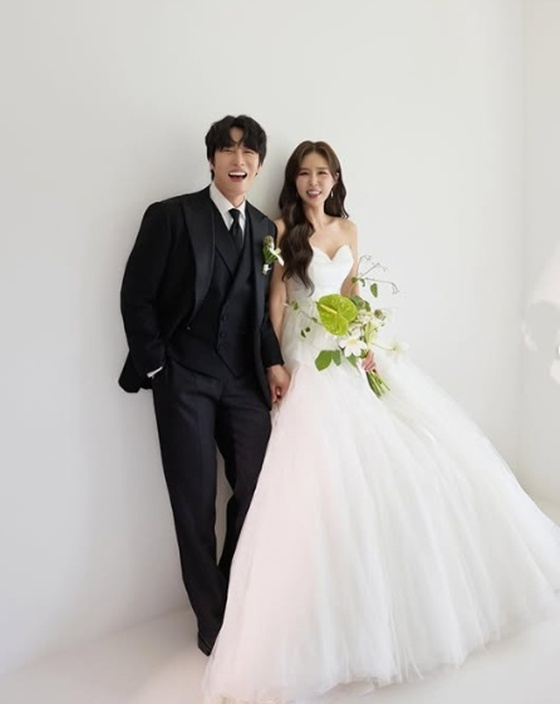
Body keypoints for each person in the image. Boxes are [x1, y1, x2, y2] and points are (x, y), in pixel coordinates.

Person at [202, 140, 560, 702]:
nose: (313, 181)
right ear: (293, 181)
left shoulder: (349, 229)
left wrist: (362, 342)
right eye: (304, 173)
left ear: (335, 178)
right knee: (316, 479)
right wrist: (276, 361)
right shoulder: (280, 229)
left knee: (407, 457)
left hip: (345, 352)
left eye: (322, 173)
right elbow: (276, 300)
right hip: (305, 358)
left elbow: (350, 295)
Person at [118, 115, 290, 656]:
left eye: (248, 152)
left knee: (257, 488)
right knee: (193, 502)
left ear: (259, 164)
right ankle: (213, 623)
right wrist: (157, 368)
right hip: (184, 378)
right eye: (228, 150)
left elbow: (258, 316)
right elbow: (136, 296)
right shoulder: (171, 216)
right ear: (212, 158)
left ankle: (231, 593)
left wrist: (273, 363)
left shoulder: (264, 230)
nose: (239, 160)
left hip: (242, 381)